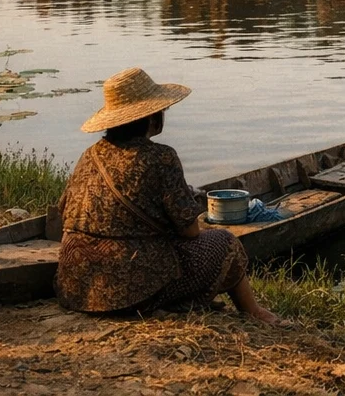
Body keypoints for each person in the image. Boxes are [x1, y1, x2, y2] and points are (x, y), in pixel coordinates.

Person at [55, 67, 280, 322]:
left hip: (77, 286)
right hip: (129, 291)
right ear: (151, 118)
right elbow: (190, 231)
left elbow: (65, 211)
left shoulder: (89, 155)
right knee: (225, 243)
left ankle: (189, 300)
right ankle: (253, 311)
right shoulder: (162, 157)